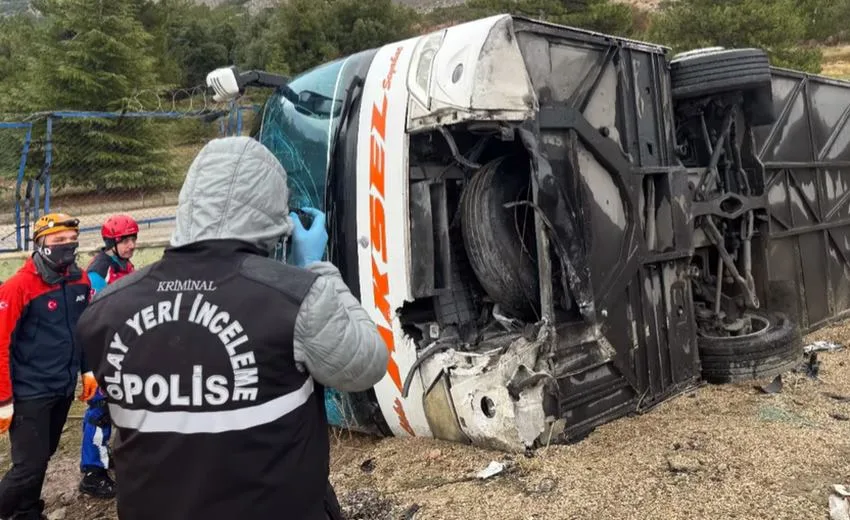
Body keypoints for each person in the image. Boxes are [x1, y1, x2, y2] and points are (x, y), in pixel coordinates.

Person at [75, 136, 389, 520]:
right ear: (276, 215)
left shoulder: (106, 308)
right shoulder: (296, 298)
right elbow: (367, 363)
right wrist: (313, 270)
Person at [0, 213, 97, 520]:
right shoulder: (18, 287)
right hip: (30, 391)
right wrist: (4, 400)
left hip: (63, 385)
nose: (67, 246)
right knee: (28, 466)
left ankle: (27, 511)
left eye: (71, 240)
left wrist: (87, 369)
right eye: (58, 241)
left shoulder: (79, 281)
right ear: (41, 245)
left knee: (44, 457)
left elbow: (81, 329)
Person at [77, 214, 139, 499]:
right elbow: (97, 313)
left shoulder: (126, 266)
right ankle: (92, 472)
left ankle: (103, 455)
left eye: (133, 239)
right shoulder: (99, 271)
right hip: (102, 347)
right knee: (100, 406)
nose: (131, 245)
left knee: (117, 404)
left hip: (122, 344)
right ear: (111, 243)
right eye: (124, 240)